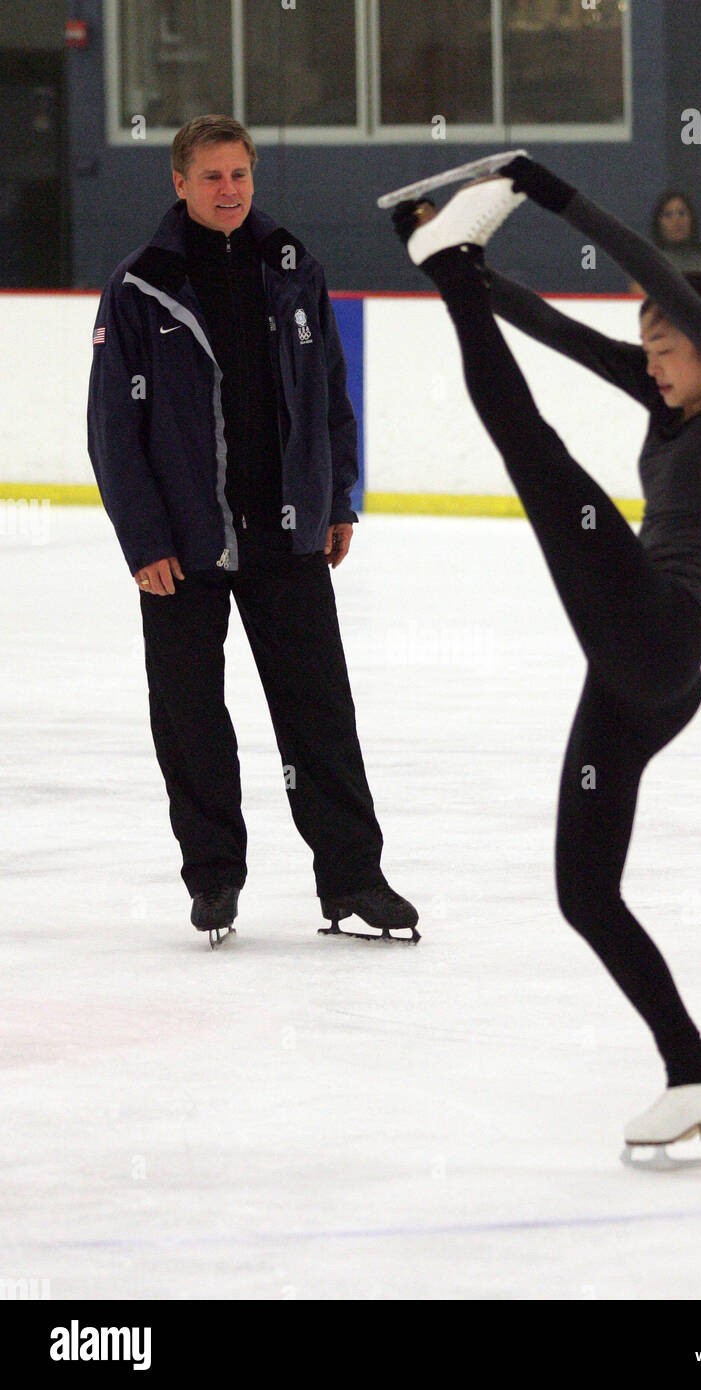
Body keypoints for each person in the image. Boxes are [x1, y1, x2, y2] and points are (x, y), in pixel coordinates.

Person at [387, 156, 701, 1159]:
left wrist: (552, 195)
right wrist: (461, 272)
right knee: (583, 891)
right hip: (637, 673)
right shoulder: (672, 403)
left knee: (533, 451)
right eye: (647, 348)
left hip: (661, 632)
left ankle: (451, 269)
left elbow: (648, 268)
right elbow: (561, 333)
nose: (651, 362)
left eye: (664, 345)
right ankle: (693, 1071)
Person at [87, 114, 418, 946]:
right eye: (211, 177)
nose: (228, 190)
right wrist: (144, 541)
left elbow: (329, 395)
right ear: (179, 184)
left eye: (239, 174)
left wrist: (337, 498)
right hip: (183, 545)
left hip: (287, 535)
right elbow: (111, 434)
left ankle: (353, 879)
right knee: (191, 716)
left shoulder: (292, 267)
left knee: (321, 717)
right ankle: (215, 879)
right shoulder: (138, 289)